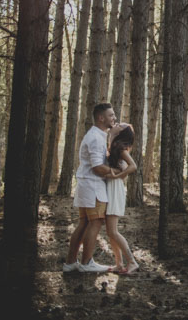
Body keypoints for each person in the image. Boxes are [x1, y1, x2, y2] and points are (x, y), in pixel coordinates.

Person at [62, 102, 115, 273]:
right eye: (111, 115)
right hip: (93, 186)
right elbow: (97, 167)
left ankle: (71, 263)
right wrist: (118, 172)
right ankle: (86, 263)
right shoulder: (96, 138)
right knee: (96, 222)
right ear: (101, 118)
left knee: (84, 223)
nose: (114, 118)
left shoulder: (95, 135)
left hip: (87, 185)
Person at [105, 123, 139, 274]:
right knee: (110, 231)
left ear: (121, 133)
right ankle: (119, 264)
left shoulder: (120, 148)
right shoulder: (114, 146)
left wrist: (118, 176)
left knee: (113, 231)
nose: (117, 123)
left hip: (114, 189)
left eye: (120, 125)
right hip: (110, 188)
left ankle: (132, 262)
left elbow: (133, 166)